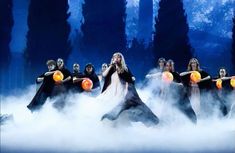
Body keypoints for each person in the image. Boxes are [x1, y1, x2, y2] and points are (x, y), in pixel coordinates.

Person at [100, 52, 159, 126]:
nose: (116, 58)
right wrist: (111, 65)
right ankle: (111, 119)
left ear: (121, 59)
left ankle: (154, 120)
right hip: (114, 91)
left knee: (136, 104)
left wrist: (126, 90)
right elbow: (104, 75)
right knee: (119, 106)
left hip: (127, 90)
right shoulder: (112, 67)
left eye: (118, 57)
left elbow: (129, 80)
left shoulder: (125, 68)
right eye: (115, 57)